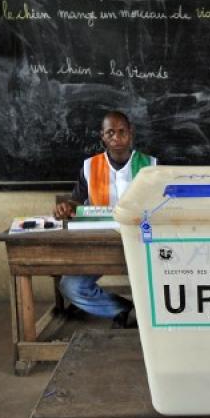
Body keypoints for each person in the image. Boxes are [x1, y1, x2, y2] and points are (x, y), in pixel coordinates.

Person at [53, 111, 157, 328]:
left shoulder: (150, 166)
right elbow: (76, 202)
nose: (116, 138)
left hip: (141, 243)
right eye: (110, 133)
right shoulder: (90, 166)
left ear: (131, 133)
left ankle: (151, 317)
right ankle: (121, 309)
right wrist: (66, 207)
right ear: (102, 136)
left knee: (163, 279)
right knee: (71, 286)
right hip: (101, 245)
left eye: (122, 132)